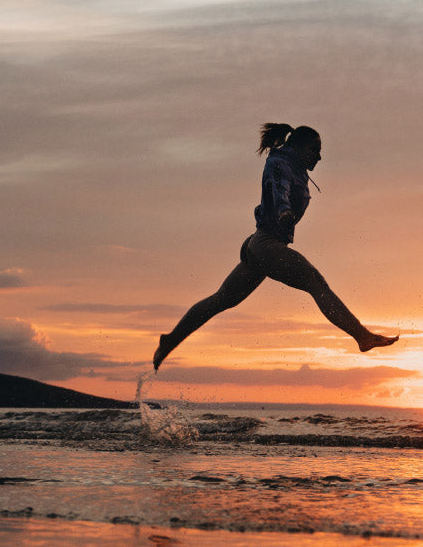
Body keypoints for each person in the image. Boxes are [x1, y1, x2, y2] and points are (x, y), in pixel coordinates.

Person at [153, 123, 398, 371]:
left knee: (222, 300)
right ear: (298, 148)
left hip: (260, 245)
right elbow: (278, 187)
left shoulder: (297, 169)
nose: (319, 156)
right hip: (266, 243)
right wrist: (284, 211)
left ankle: (170, 339)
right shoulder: (280, 163)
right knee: (315, 282)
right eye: (315, 149)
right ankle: (362, 337)